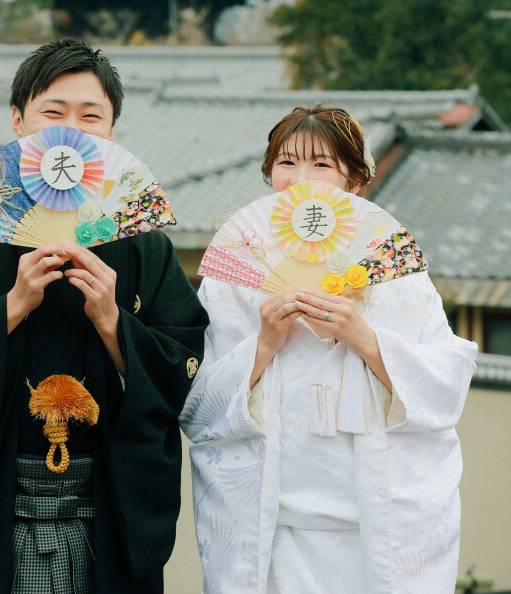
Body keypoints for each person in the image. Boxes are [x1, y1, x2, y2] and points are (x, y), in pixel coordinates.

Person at [0, 38, 208, 594]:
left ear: (111, 133)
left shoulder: (141, 247)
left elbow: (187, 365)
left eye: (91, 116)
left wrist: (113, 323)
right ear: (17, 121)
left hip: (104, 509)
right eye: (52, 112)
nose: (71, 131)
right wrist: (9, 309)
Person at [180, 104, 477, 594]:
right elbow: (196, 404)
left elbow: (445, 390)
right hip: (271, 525)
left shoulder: (395, 270)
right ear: (269, 175)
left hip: (374, 526)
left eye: (321, 165)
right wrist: (264, 344)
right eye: (286, 163)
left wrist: (366, 339)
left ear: (354, 184)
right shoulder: (235, 272)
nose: (301, 179)